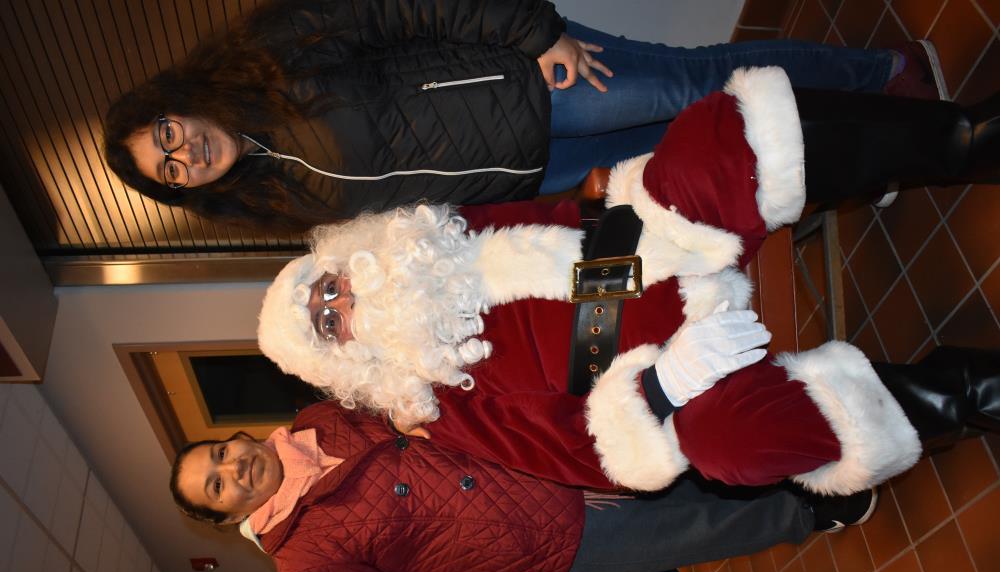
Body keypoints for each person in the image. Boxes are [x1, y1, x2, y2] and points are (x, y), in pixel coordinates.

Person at [257, 66, 998, 495]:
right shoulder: (440, 403)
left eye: (327, 283)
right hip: (667, 359)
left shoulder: (439, 232)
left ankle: (960, 140)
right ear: (341, 357)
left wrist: (610, 203)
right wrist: (661, 389)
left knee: (715, 142)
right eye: (329, 319)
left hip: (648, 248)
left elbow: (575, 213)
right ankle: (958, 392)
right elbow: (580, 453)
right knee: (726, 444)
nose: (345, 298)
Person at [102, 0, 946, 228]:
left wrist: (533, 33)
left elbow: (403, 10)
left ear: (175, 103)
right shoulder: (277, 200)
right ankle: (860, 137)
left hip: (533, 81)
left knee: (705, 82)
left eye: (167, 135)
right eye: (169, 170)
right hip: (540, 168)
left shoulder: (270, 54)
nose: (185, 154)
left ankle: (877, 74)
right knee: (704, 137)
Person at [168, 402, 879, 572]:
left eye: (220, 453)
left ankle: (792, 458)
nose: (232, 468)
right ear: (225, 513)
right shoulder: (302, 566)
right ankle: (812, 510)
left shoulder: (314, 419)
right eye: (217, 484)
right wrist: (466, 562)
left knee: (675, 461)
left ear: (231, 437)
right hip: (536, 541)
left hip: (524, 448)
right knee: (689, 529)